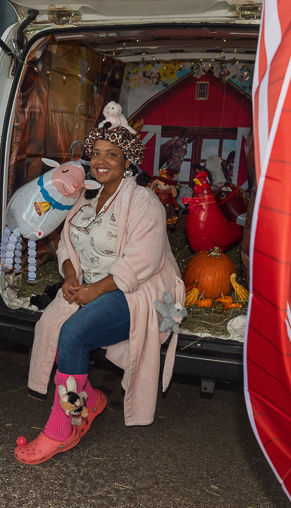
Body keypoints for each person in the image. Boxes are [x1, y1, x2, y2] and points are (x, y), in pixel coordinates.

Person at [14, 120, 185, 465]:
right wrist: (70, 275)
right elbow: (66, 244)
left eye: (112, 154)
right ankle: (85, 400)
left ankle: (63, 429)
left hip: (139, 291)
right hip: (92, 286)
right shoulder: (84, 198)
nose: (101, 160)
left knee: (72, 334)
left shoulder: (143, 201)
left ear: (127, 161)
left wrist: (95, 290)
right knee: (58, 329)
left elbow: (144, 260)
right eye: (96, 153)